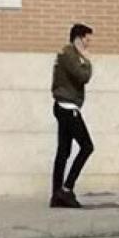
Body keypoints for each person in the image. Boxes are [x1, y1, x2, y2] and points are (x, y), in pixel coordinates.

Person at [51, 23, 95, 208]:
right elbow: (82, 76)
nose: (89, 43)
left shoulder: (68, 54)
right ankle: (66, 189)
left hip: (64, 106)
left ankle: (57, 195)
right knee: (87, 146)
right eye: (87, 39)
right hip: (67, 107)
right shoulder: (69, 54)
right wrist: (87, 61)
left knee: (64, 151)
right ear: (78, 38)